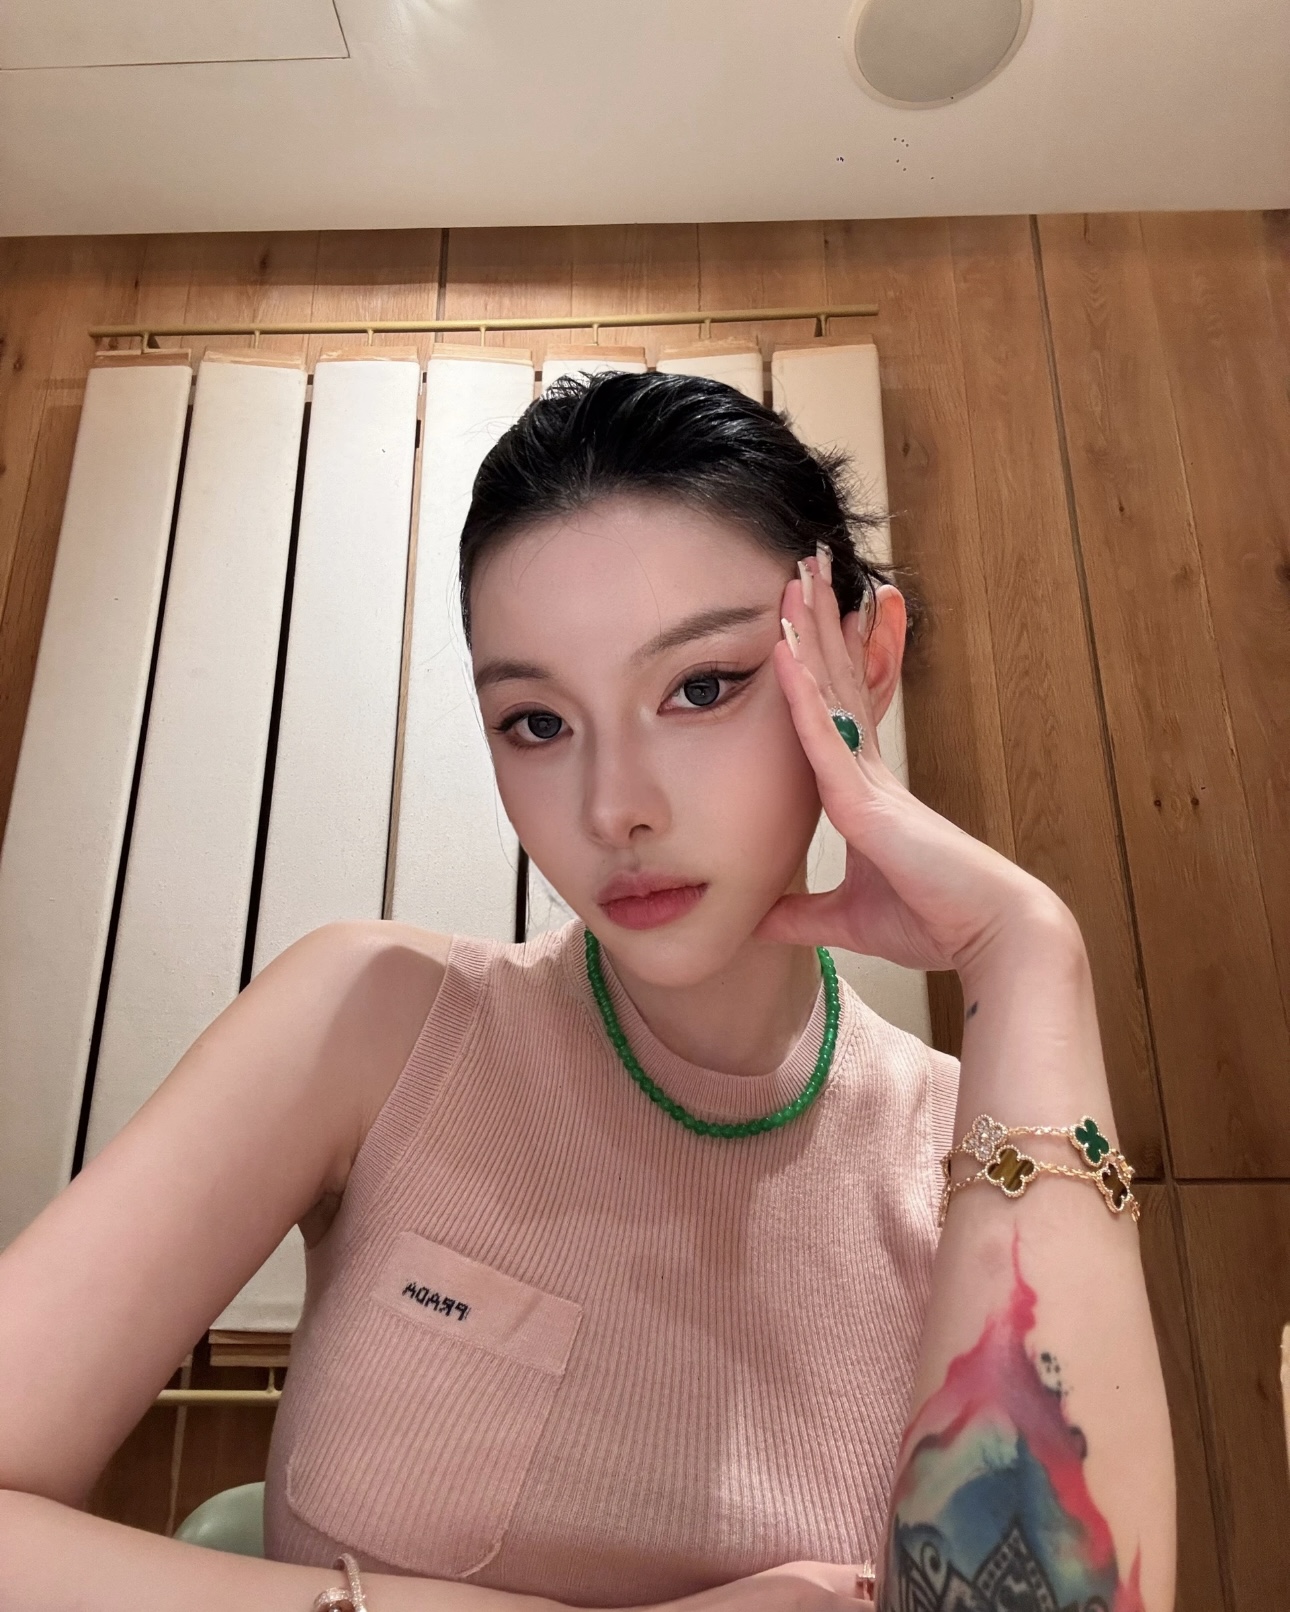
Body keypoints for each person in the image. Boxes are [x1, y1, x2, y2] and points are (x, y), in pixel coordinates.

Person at [0, 371, 1174, 1612]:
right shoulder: (371, 1024)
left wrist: (1026, 950)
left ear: (864, 660)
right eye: (536, 722)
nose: (615, 806)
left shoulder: (970, 1156)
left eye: (701, 686)